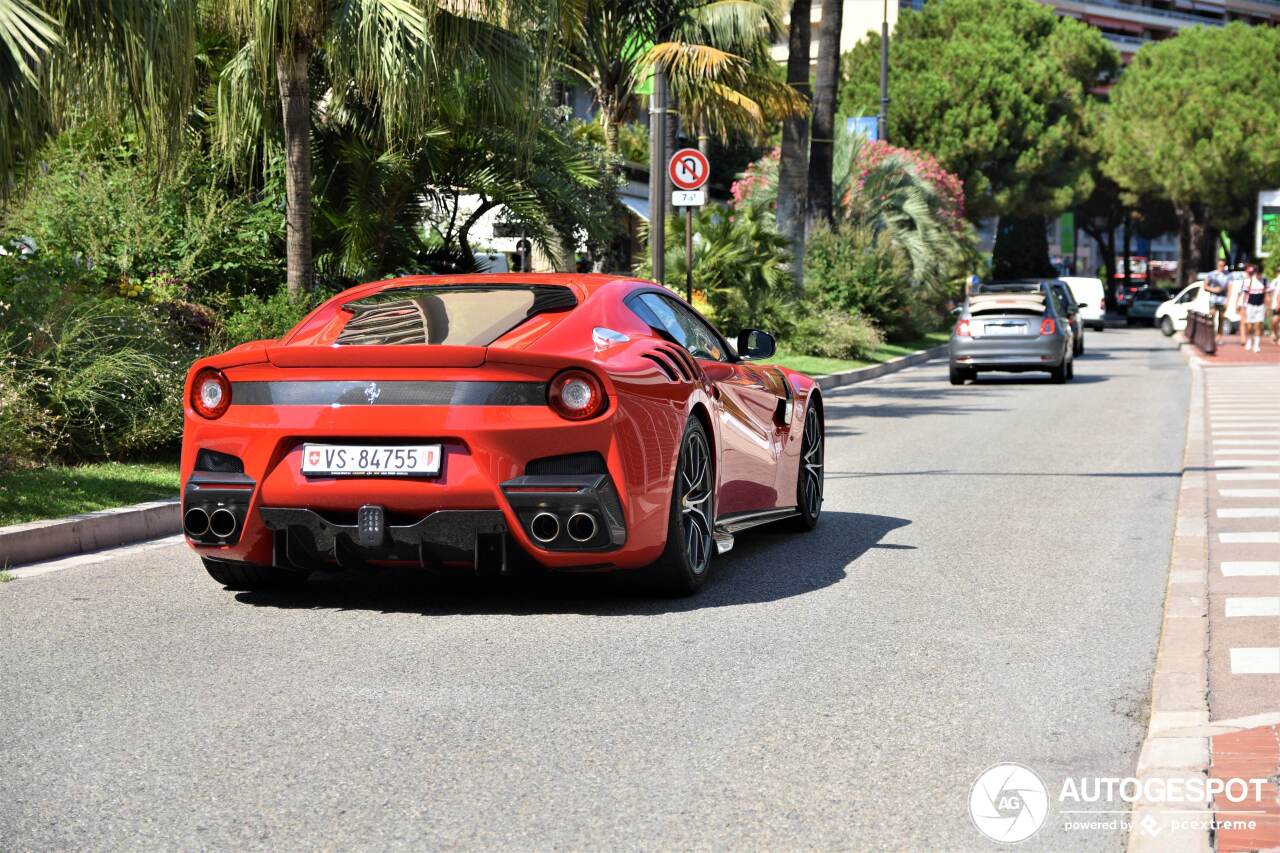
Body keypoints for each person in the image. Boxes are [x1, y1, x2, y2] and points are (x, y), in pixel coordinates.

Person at [1237, 265, 1270, 352]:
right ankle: (1249, 340)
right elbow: (1244, 295)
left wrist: (1267, 308)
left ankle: (1256, 345)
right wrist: (1242, 306)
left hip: (1260, 306)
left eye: (1260, 273)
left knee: (1258, 325)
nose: (1259, 275)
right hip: (1250, 305)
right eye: (1257, 273)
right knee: (1250, 326)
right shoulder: (1249, 281)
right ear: (1255, 273)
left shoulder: (1265, 281)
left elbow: (1267, 295)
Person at [1205, 258, 1231, 343]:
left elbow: (1229, 289)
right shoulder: (1211, 274)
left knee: (1221, 318)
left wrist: (1228, 301)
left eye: (1223, 265)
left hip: (1223, 300)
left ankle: (1219, 336)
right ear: (1217, 265)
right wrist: (1213, 290)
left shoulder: (1228, 275)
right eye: (1220, 265)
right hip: (1213, 299)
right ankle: (1211, 334)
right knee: (1211, 315)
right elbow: (1204, 286)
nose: (1221, 267)